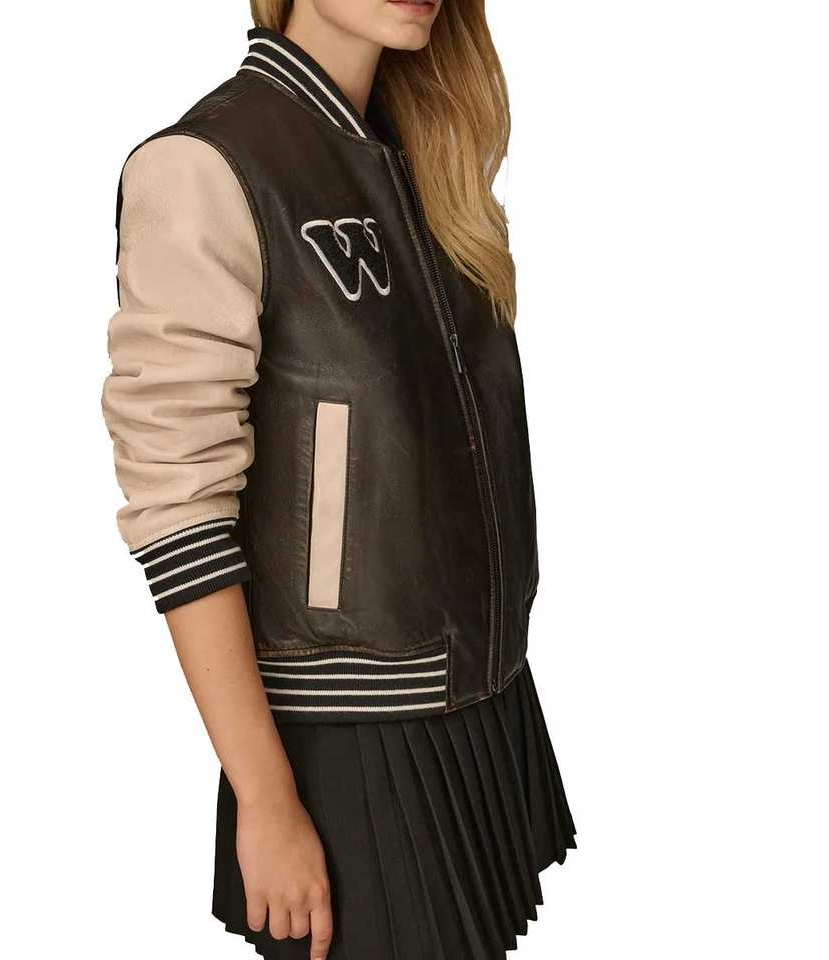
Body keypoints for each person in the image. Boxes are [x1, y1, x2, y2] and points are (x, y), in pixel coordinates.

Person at [101, 1, 575, 957]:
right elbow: (177, 504)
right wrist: (266, 797)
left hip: (483, 698)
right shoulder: (207, 166)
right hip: (344, 734)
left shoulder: (427, 156)